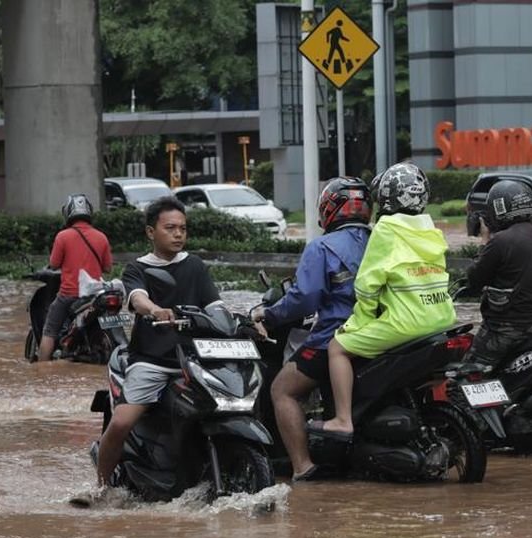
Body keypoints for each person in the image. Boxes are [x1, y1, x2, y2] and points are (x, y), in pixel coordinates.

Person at [308, 162, 457, 441]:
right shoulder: (428, 227)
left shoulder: (386, 229)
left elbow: (367, 284)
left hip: (407, 322)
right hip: (442, 318)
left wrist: (357, 323)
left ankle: (342, 420)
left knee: (337, 348)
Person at [93, 196, 223, 488]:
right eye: (170, 228)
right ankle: (101, 487)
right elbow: (136, 298)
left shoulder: (195, 266)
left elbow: (215, 305)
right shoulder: (136, 268)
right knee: (122, 423)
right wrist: (154, 309)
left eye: (183, 228)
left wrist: (243, 322)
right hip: (152, 360)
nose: (178, 234)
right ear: (151, 232)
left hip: (195, 359)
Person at [253, 177, 373, 481]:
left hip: (335, 335)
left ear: (328, 210)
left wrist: (269, 316)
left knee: (282, 388)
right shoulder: (381, 240)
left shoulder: (321, 247)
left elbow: (304, 299)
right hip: (382, 333)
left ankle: (302, 467)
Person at [461, 180, 532, 368]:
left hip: (505, 330)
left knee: (463, 379)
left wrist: (484, 239)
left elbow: (474, 277)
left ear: (498, 209)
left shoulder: (500, 242)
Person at [38, 194, 113, 362]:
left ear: (68, 213)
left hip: (69, 295)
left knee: (49, 329)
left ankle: (41, 369)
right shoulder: (101, 237)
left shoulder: (63, 236)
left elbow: (54, 264)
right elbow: (107, 268)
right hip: (96, 296)